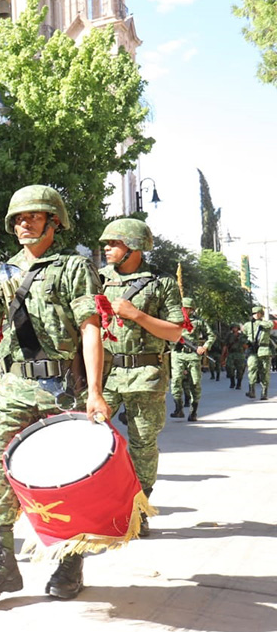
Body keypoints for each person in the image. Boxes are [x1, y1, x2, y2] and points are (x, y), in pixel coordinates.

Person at [0, 185, 109, 601]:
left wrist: (95, 391)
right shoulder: (3, 272)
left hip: (61, 387)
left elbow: (90, 328)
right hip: (12, 385)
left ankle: (70, 563)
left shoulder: (73, 267)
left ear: (53, 222)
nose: (24, 224)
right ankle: (2, 563)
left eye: (34, 216)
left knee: (65, 474)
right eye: (19, 218)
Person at [97, 218, 184, 537]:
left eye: (114, 243)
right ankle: (97, 502)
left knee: (143, 445)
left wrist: (136, 314)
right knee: (91, 436)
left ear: (133, 247)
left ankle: (138, 509)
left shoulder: (161, 283)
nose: (107, 248)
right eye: (106, 244)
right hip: (106, 374)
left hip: (146, 375)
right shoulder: (98, 279)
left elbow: (175, 332)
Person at [169, 298, 215, 421]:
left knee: (195, 383)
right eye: (183, 308)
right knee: (176, 380)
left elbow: (211, 335)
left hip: (193, 355)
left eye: (187, 308)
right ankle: (178, 408)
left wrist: (204, 347)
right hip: (178, 354)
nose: (185, 310)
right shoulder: (174, 320)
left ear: (192, 309)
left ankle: (193, 411)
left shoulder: (199, 321)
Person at [242, 306, 272, 399]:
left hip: (264, 350)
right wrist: (246, 342)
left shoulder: (267, 323)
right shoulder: (247, 325)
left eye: (257, 313)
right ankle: (252, 391)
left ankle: (264, 393)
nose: (255, 315)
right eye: (254, 313)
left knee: (265, 371)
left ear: (261, 314)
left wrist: (258, 323)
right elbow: (243, 336)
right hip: (252, 350)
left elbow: (270, 325)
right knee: (252, 369)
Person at [224, 323, 247, 390]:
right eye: (233, 327)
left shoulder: (242, 336)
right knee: (229, 368)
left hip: (240, 354)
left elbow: (246, 345)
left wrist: (243, 345)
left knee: (240, 369)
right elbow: (225, 345)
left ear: (238, 328)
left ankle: (239, 384)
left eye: (236, 327)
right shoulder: (229, 336)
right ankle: (232, 382)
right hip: (231, 353)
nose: (234, 329)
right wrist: (223, 355)